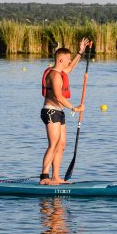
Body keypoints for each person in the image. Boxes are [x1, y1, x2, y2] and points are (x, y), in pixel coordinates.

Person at [40, 38, 89, 185]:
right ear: (60, 60)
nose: (69, 62)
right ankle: (44, 177)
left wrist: (80, 52)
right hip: (50, 111)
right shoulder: (54, 75)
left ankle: (55, 177)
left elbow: (71, 67)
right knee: (53, 144)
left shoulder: (61, 72)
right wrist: (75, 108)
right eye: (67, 59)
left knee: (61, 144)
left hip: (59, 112)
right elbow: (58, 96)